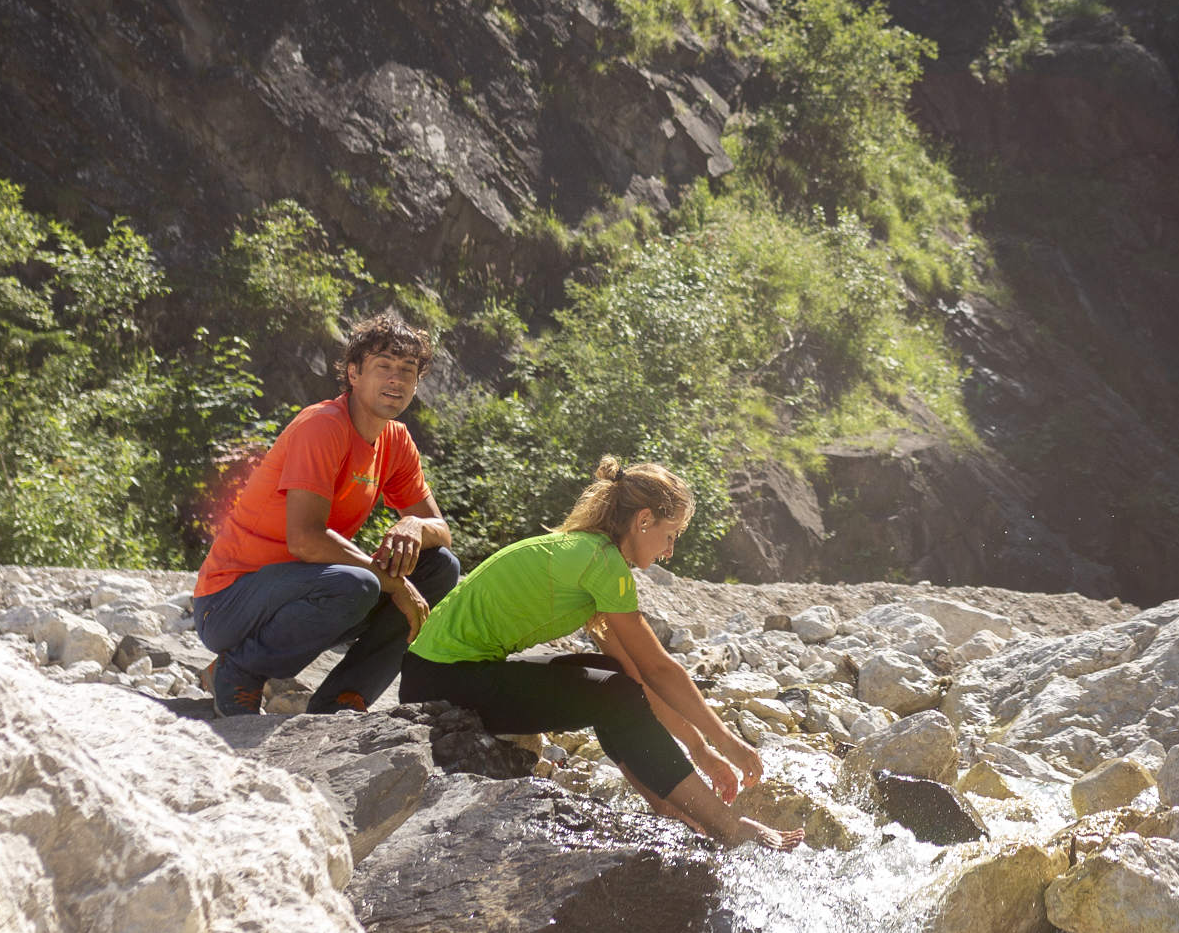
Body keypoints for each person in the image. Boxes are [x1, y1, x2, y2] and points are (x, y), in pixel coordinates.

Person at [399, 459, 795, 850]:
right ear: (643, 520)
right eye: (670, 534)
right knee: (611, 693)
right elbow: (658, 668)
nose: (669, 550)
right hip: (442, 681)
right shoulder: (600, 562)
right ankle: (727, 826)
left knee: (610, 677)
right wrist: (728, 742)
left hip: (437, 673)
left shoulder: (589, 553)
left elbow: (634, 675)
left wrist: (700, 750)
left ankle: (669, 807)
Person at [192, 309, 459, 717]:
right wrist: (394, 584)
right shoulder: (323, 426)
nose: (396, 379)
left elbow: (441, 531)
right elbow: (305, 539)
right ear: (353, 374)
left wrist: (415, 524)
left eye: (407, 370)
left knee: (439, 566)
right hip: (228, 603)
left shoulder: (396, 439)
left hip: (305, 587)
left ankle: (343, 697)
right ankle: (238, 671)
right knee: (359, 584)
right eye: (383, 366)